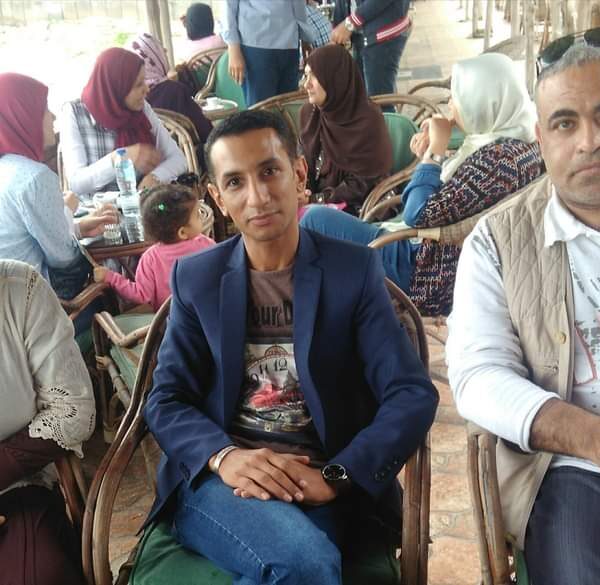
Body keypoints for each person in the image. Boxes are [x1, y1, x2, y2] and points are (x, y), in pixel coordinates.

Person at [143, 110, 438, 584]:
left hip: (316, 481)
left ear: (298, 174)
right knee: (305, 564)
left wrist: (337, 477)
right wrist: (224, 457)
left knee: (300, 567)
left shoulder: (351, 272)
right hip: (220, 483)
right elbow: (167, 398)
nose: (257, 196)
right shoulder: (198, 280)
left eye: (269, 171)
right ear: (218, 199)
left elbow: (410, 393)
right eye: (235, 182)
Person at [447, 41, 600, 585]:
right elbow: (478, 375)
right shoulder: (498, 241)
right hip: (572, 467)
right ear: (540, 137)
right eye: (565, 123)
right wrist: (590, 437)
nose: (589, 141)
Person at [301, 52, 544, 316]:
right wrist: (433, 153)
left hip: (423, 269)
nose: (451, 105)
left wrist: (435, 153)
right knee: (318, 237)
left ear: (483, 103)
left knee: (312, 220)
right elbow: (455, 198)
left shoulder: (498, 161)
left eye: (457, 97)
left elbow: (417, 213)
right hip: (424, 250)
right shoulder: (515, 146)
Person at [0, 259, 96, 585]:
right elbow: (65, 257)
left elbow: (73, 410)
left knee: (41, 575)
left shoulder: (18, 288)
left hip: (16, 486)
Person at [0, 73, 117, 295]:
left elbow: (21, 242)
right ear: (24, 116)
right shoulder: (33, 177)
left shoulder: (7, 170)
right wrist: (67, 211)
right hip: (36, 309)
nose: (53, 117)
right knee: (112, 286)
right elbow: (64, 258)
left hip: (7, 309)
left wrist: (77, 228)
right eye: (44, 109)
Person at [60, 47, 187, 198]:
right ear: (117, 88)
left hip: (143, 206)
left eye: (144, 81)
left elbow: (178, 159)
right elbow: (76, 183)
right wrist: (119, 158)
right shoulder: (74, 113)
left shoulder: (142, 110)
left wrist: (155, 177)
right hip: (99, 211)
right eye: (138, 85)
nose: (146, 89)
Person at [300, 44, 393, 216]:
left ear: (335, 79)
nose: (306, 84)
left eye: (314, 76)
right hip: (314, 207)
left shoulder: (367, 120)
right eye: (306, 75)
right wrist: (302, 193)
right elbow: (303, 164)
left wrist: (316, 200)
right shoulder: (310, 114)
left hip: (362, 207)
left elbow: (362, 184)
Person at [94, 184, 214, 311]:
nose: (201, 217)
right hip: (208, 313)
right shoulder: (205, 244)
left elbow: (141, 296)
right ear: (182, 232)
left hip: (170, 320)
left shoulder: (150, 258)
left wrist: (111, 277)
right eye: (197, 215)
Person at [129, 32, 213, 169]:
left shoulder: (132, 98)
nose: (165, 51)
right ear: (155, 57)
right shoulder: (174, 91)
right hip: (188, 161)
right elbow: (205, 132)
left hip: (151, 165)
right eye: (160, 49)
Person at [223, 0, 315, 107]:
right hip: (256, 46)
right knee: (261, 110)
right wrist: (233, 48)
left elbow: (298, 5)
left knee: (289, 108)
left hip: (290, 44)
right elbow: (228, 6)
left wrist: (305, 37)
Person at [331, 0, 412, 103]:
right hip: (362, 33)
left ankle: (386, 112)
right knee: (365, 98)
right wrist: (338, 27)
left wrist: (350, 23)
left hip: (382, 33)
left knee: (380, 102)